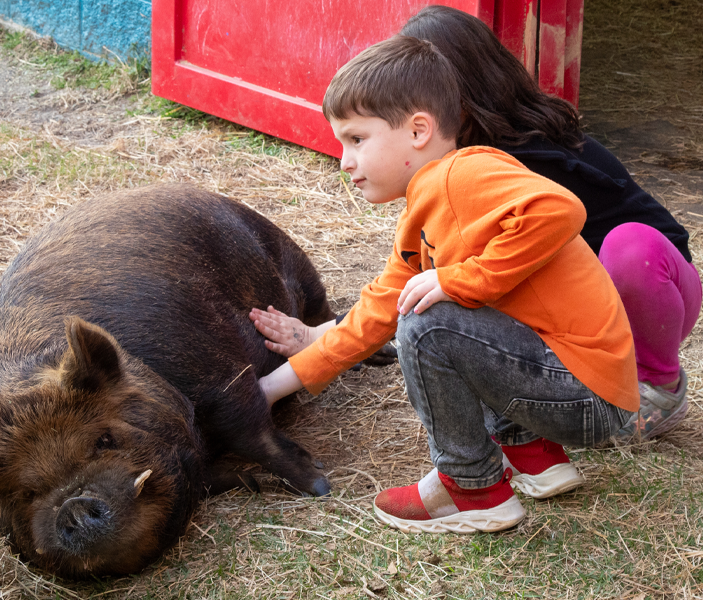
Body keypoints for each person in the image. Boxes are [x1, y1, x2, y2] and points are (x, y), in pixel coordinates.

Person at [251, 34, 638, 534]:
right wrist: (268, 390)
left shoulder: (464, 173)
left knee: (428, 321)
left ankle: (471, 488)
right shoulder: (422, 218)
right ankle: (535, 457)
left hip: (587, 395)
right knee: (430, 305)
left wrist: (462, 279)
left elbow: (560, 209)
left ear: (417, 130)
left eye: (356, 139)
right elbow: (373, 316)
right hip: (580, 393)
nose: (344, 161)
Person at [258, 5, 700, 442]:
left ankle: (659, 386)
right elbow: (404, 285)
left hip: (652, 289)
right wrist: (323, 337)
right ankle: (532, 451)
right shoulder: (446, 172)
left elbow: (552, 221)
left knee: (625, 248)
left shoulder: (513, 162)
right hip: (571, 307)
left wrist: (461, 281)